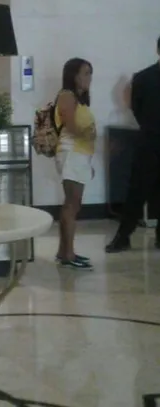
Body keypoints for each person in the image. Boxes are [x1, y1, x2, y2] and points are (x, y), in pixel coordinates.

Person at [106, 36, 160, 253]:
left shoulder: (143, 77)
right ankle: (123, 236)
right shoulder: (143, 77)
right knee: (137, 190)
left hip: (149, 137)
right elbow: (136, 108)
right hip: (150, 140)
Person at [54, 58, 96, 270]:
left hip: (80, 155)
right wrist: (89, 133)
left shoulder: (79, 99)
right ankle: (68, 254)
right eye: (85, 73)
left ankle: (64, 251)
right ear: (74, 75)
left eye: (90, 73)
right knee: (72, 204)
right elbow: (70, 126)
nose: (89, 78)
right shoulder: (67, 96)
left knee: (73, 204)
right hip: (72, 153)